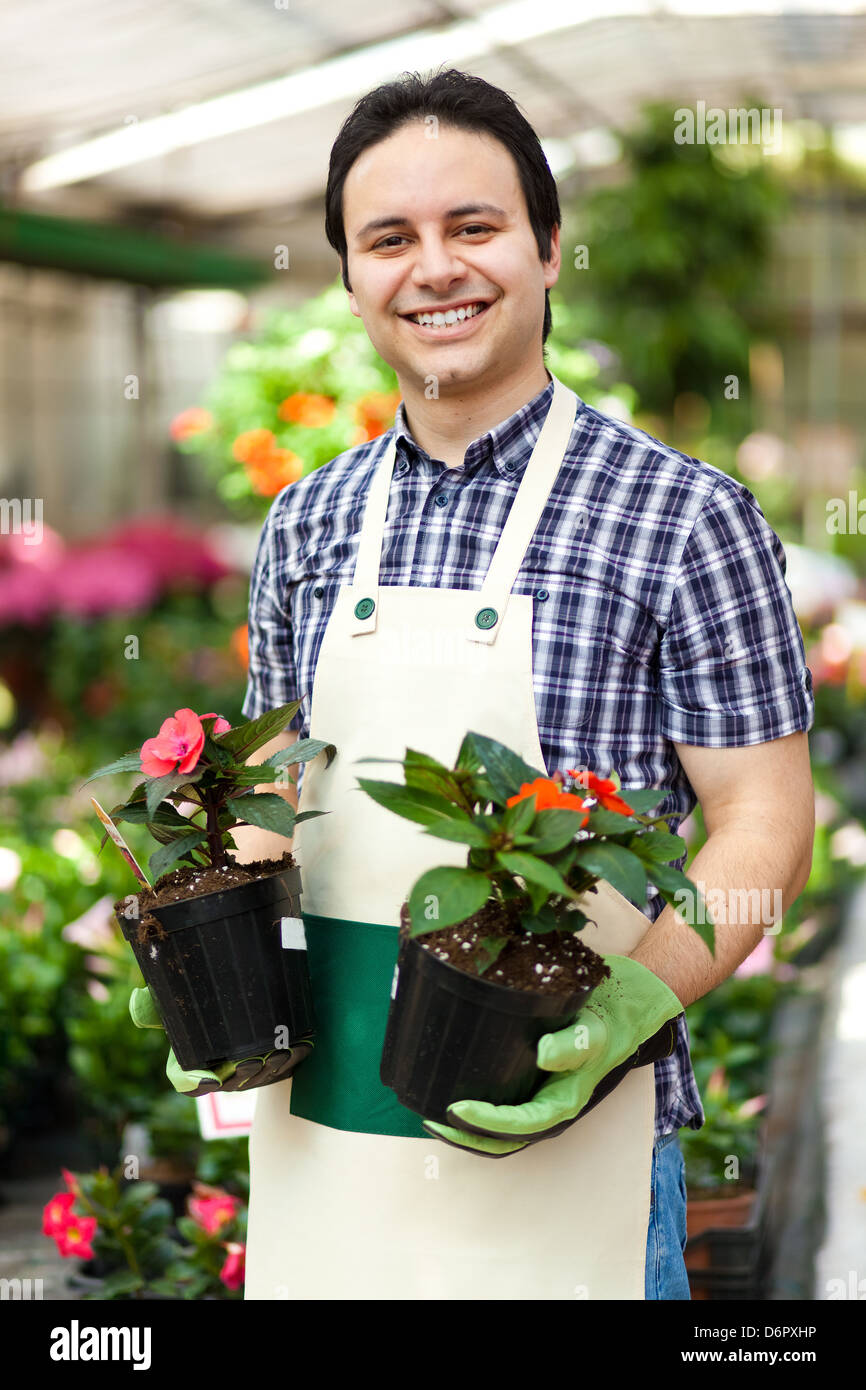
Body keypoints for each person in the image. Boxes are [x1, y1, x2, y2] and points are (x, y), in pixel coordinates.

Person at [148, 68, 815, 1300]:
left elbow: (767, 823)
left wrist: (633, 1000)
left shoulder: (683, 519)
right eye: (389, 240)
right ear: (350, 277)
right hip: (325, 1143)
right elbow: (272, 800)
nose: (434, 269)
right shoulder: (305, 525)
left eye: (474, 226)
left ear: (548, 247)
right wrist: (210, 958)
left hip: (581, 1142)